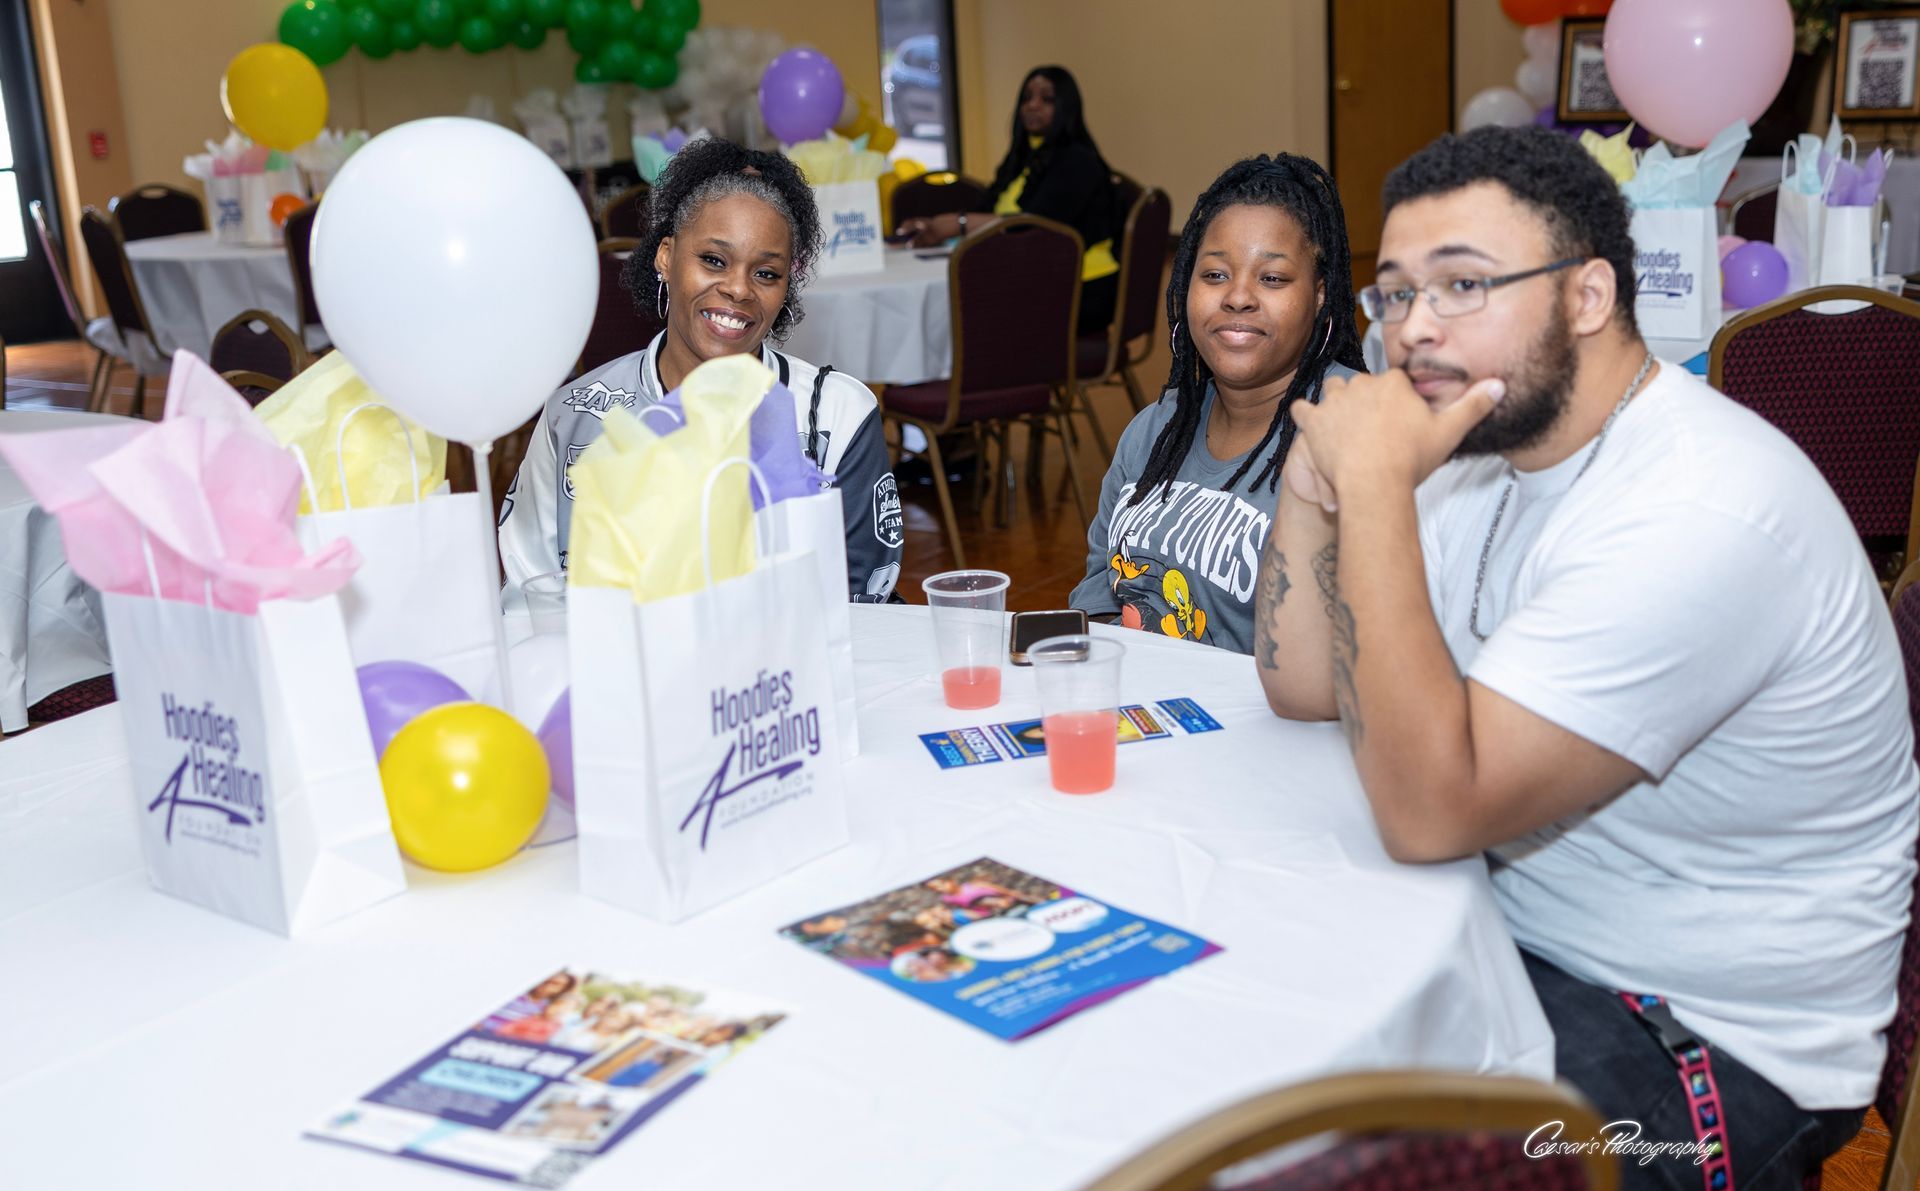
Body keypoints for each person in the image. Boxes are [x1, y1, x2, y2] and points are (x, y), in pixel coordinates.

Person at [1256, 125, 1917, 1188]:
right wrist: (1315, 473)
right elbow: (1299, 684)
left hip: (1700, 1038)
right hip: (1501, 933)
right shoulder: (1479, 453)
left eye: (1462, 286)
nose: (1413, 332)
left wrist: (1373, 487)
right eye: (1393, 294)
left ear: (1589, 298)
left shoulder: (1701, 507)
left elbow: (1430, 814)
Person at [499, 137, 904, 604]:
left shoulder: (835, 413)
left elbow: (861, 604)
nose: (738, 289)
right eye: (713, 260)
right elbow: (531, 593)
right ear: (666, 257)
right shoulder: (575, 415)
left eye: (766, 273)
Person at [1070, 154, 1363, 654]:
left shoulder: (1358, 431)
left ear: (1319, 295)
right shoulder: (1156, 429)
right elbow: (1097, 596)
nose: (1238, 297)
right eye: (1214, 275)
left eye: (1272, 279)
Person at [896, 66, 1122, 335]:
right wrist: (934, 224)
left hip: (1077, 288)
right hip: (1030, 273)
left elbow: (1035, 224)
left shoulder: (1077, 161)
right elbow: (988, 211)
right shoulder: (1025, 155)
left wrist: (958, 223)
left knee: (960, 309)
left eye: (1046, 99)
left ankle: (957, 373)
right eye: (1027, 97)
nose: (1033, 105)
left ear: (1067, 107)